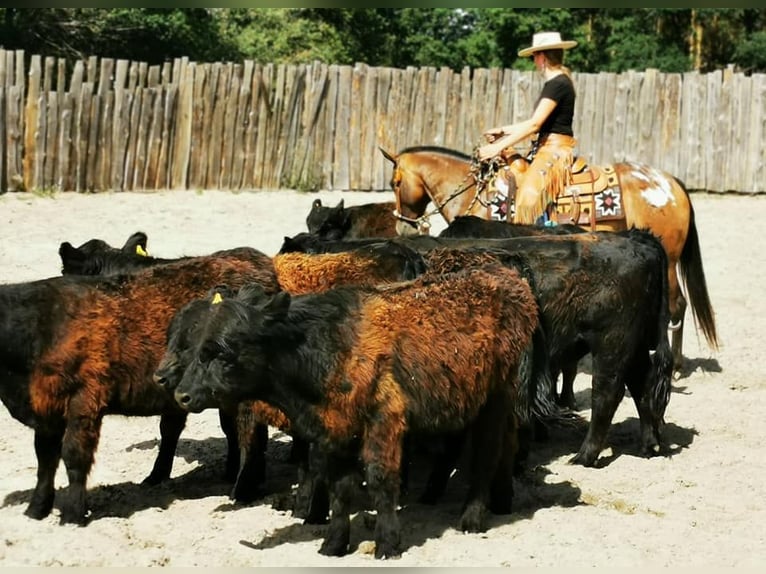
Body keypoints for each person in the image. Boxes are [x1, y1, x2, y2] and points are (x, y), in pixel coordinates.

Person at [477, 31, 578, 225]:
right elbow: (534, 122)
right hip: (546, 147)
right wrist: (503, 130)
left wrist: (496, 148)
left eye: (534, 56)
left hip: (555, 151)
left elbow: (534, 124)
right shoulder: (558, 82)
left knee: (526, 201)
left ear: (542, 57)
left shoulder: (557, 84)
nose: (534, 61)